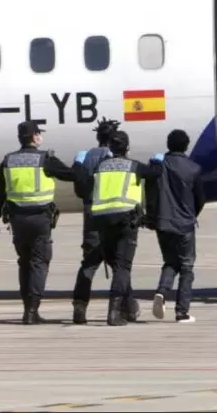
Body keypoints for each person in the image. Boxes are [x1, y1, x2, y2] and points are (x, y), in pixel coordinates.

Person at [0, 121, 74, 324]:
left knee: (24, 263)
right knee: (39, 262)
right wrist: (80, 164)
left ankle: (27, 308)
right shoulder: (45, 159)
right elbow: (70, 175)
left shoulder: (8, 160)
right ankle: (32, 311)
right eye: (39, 134)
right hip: (40, 219)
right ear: (34, 137)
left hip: (17, 220)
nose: (40, 137)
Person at [87, 131, 163, 326]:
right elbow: (155, 174)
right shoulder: (133, 166)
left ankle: (129, 308)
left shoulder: (99, 166)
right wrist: (157, 163)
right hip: (125, 220)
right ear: (127, 147)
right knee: (123, 267)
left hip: (102, 221)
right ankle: (113, 312)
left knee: (117, 266)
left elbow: (87, 185)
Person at [70, 117, 139, 325]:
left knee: (89, 264)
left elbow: (79, 187)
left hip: (92, 214)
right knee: (121, 265)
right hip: (116, 214)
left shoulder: (84, 156)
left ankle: (79, 306)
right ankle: (127, 308)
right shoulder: (116, 158)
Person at [147, 130, 205, 324]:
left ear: (168, 144)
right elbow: (200, 199)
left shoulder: (159, 165)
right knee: (187, 267)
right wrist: (191, 214)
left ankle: (162, 292)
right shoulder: (194, 168)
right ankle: (182, 312)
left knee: (171, 261)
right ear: (186, 145)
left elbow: (151, 192)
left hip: (163, 222)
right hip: (185, 224)